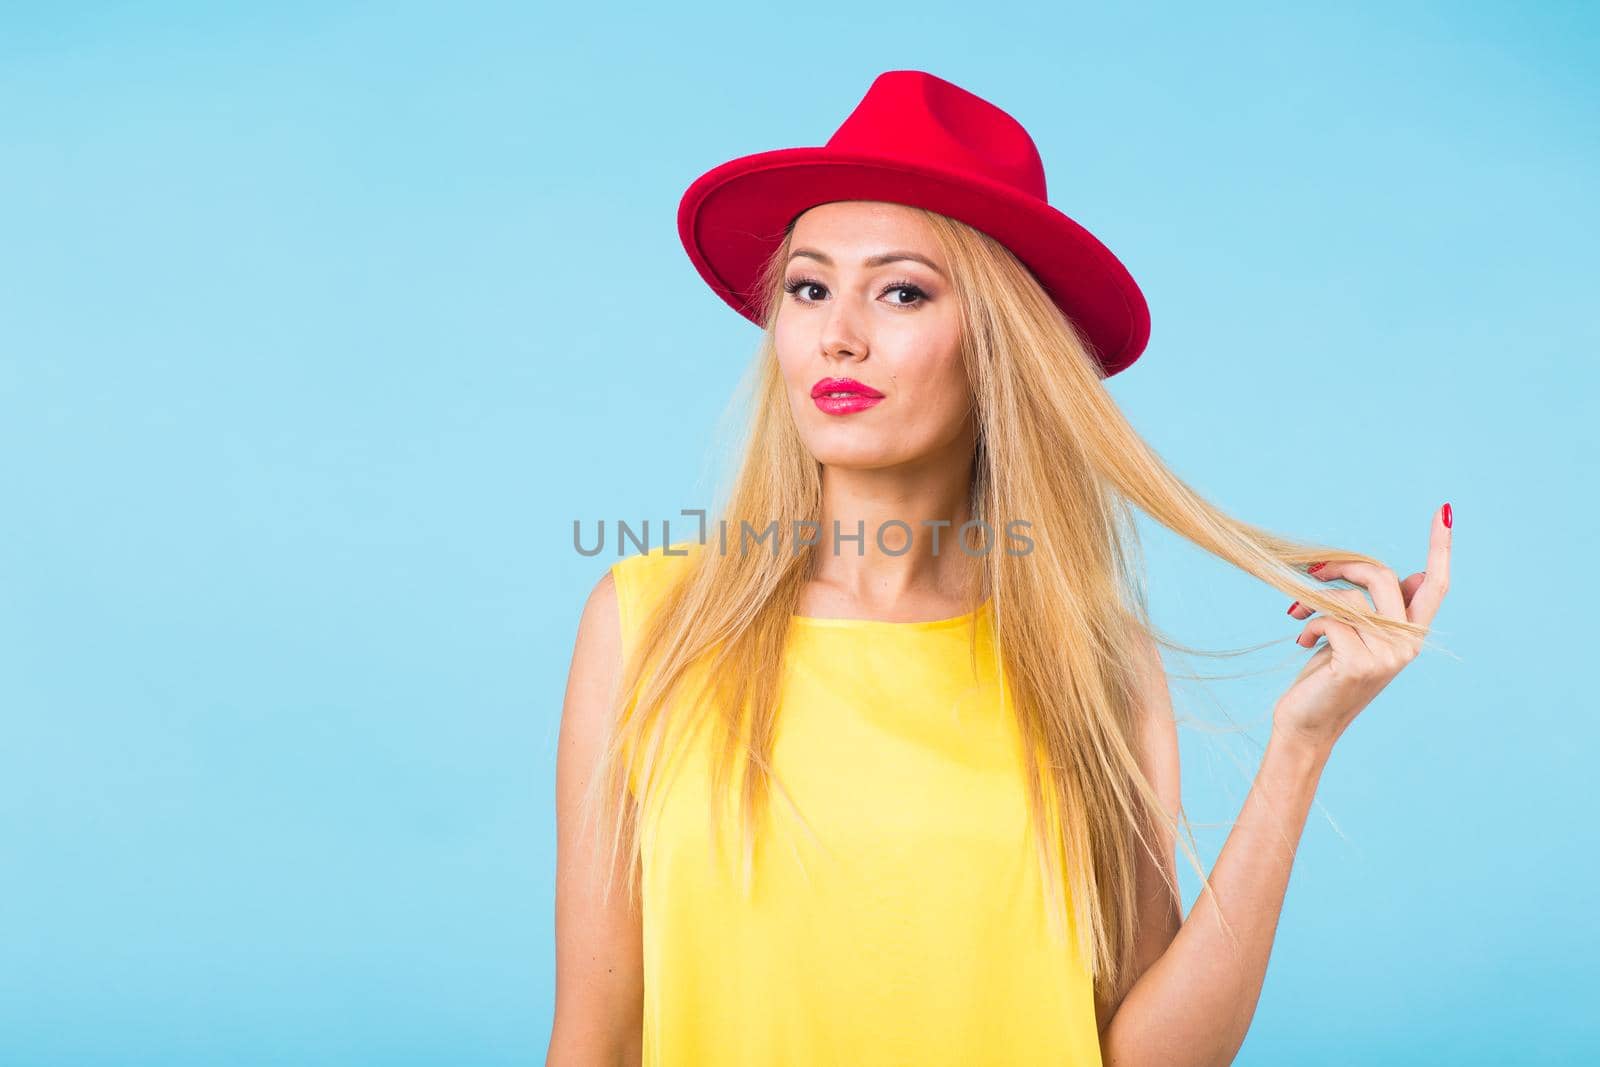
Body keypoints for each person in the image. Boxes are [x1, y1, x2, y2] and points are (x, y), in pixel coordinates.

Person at [549, 70, 1452, 1067]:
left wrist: (1299, 747)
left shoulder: (1090, 657)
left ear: (999, 346)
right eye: (809, 286)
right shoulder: (648, 621)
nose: (836, 333)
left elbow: (1147, 1056)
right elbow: (596, 1036)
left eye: (900, 290)